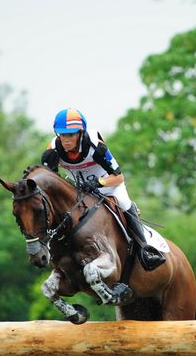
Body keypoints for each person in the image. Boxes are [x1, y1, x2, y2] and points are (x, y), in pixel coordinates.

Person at [41, 108, 165, 271]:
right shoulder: (52, 151)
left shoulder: (96, 146)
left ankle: (145, 250)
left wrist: (98, 183)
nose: (66, 140)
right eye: (62, 135)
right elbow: (51, 185)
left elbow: (119, 177)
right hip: (78, 191)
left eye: (71, 135)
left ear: (80, 133)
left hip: (108, 185)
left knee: (124, 203)